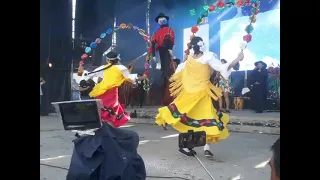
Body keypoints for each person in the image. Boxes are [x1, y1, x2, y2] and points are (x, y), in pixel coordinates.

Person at [155, 36, 244, 157]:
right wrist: (237, 59)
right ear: (202, 46)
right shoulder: (207, 57)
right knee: (207, 120)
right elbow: (222, 68)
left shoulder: (190, 60)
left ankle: (194, 147)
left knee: (193, 121)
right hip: (202, 95)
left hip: (189, 95)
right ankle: (203, 147)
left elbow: (178, 72)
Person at [88, 52, 148, 127]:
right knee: (111, 113)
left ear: (107, 60)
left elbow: (89, 75)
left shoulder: (102, 68)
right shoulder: (121, 68)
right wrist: (143, 77)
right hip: (111, 93)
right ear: (117, 60)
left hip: (101, 92)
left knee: (104, 113)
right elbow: (129, 77)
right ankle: (109, 132)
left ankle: (105, 131)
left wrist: (98, 79)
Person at [149, 12, 175, 106]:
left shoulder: (170, 30)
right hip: (160, 52)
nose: (162, 20)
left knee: (168, 72)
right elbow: (152, 44)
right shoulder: (156, 32)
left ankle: (167, 97)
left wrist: (170, 49)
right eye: (160, 19)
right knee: (161, 74)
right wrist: (154, 55)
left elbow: (170, 41)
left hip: (166, 51)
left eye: (163, 18)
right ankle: (161, 98)